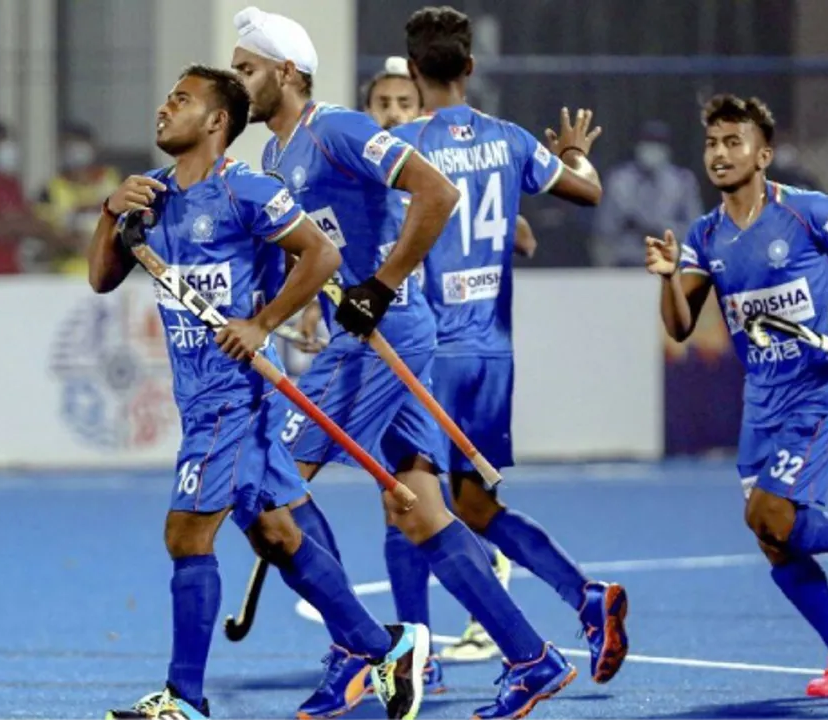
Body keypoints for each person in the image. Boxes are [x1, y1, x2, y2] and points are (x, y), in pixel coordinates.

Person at [231, 8, 575, 719]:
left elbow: (438, 191)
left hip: (385, 333)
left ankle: (360, 650)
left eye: (247, 69)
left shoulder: (337, 129)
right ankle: (531, 657)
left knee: (266, 487)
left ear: (286, 73)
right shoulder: (275, 157)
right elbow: (308, 252)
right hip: (372, 334)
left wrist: (382, 285)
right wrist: (288, 310)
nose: (238, 83)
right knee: (417, 509)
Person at [88, 64, 428, 720]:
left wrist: (262, 323)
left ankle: (183, 702)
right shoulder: (151, 195)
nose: (164, 108)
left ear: (216, 121)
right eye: (167, 98)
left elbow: (321, 255)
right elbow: (102, 279)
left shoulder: (246, 188)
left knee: (187, 534)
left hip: (234, 396)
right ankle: (383, 647)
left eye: (181, 99)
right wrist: (109, 213)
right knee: (274, 533)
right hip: (198, 396)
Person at [389, 4, 631, 689]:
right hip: (493, 355)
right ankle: (586, 597)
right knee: (473, 507)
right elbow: (587, 191)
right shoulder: (511, 139)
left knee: (406, 502)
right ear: (470, 67)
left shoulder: (403, 145)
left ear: (413, 69)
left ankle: (423, 658)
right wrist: (574, 152)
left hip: (430, 353)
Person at [644, 94, 828, 697]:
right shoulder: (705, 235)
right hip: (761, 403)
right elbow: (680, 326)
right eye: (712, 143)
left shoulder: (808, 211)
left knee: (769, 515)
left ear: (763, 155)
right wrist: (667, 279)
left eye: (733, 142)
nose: (719, 153)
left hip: (820, 394)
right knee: (772, 539)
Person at [359, 52, 515, 669]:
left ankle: (457, 632)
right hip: (392, 354)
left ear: (421, 110)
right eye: (382, 105)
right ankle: (419, 651)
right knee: (401, 502)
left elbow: (505, 235)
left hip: (434, 355)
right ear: (366, 111)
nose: (393, 114)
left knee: (414, 501)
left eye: (405, 104)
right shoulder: (363, 181)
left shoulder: (430, 185)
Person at [0, 117, 67, 274]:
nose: (6, 148)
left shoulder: (11, 184)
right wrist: (14, 225)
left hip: (9, 272)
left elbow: (29, 220)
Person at [591, 119, 703, 267]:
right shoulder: (618, 180)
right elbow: (603, 229)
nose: (652, 148)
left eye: (658, 142)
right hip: (626, 262)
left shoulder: (683, 181)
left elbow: (695, 230)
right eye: (648, 141)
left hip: (668, 262)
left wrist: (662, 229)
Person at [38, 122, 122, 275]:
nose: (75, 151)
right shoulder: (50, 190)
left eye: (79, 145)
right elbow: (43, 233)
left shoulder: (113, 180)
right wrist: (68, 241)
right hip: (68, 274)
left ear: (93, 147)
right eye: (69, 146)